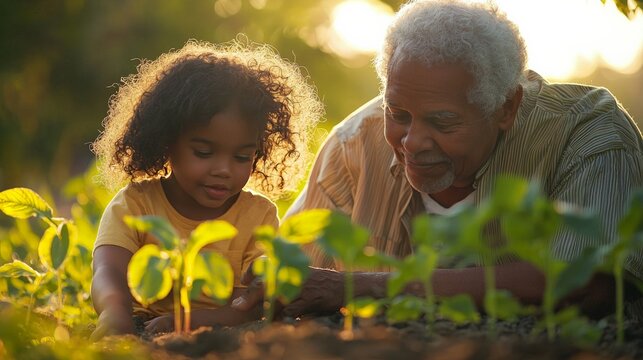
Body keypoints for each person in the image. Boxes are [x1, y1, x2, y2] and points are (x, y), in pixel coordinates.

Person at [231, 0, 643, 319]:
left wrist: (364, 287)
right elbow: (290, 282)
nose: (412, 142)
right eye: (398, 115)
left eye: (442, 123)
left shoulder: (588, 132)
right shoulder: (354, 145)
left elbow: (586, 283)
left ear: (506, 109)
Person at [90, 39, 322, 339]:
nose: (224, 170)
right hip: (139, 326)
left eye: (241, 157)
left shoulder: (258, 216)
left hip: (224, 335)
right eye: (203, 152)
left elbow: (254, 302)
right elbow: (108, 271)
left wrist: (187, 321)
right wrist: (114, 313)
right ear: (166, 141)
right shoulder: (135, 205)